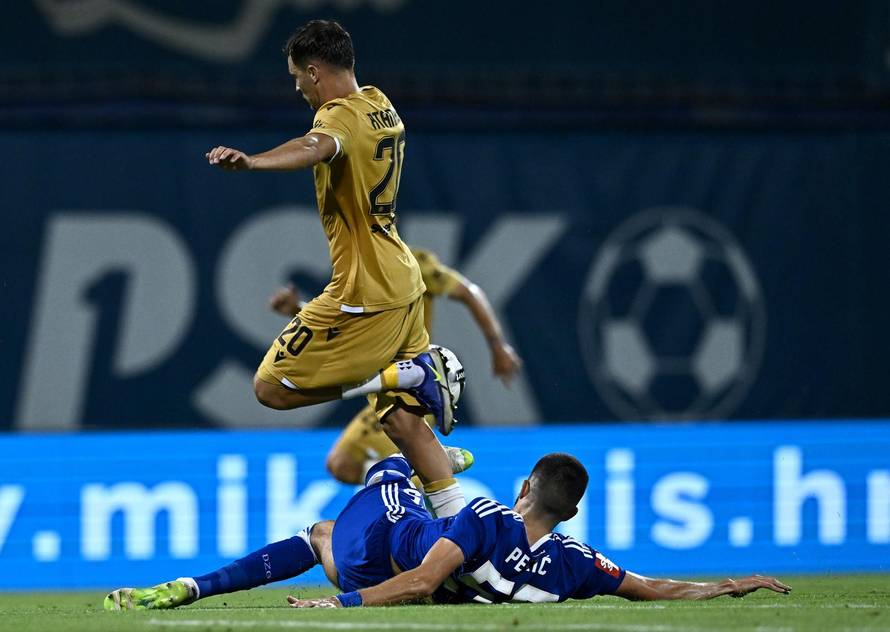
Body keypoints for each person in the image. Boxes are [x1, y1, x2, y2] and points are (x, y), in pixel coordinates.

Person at [205, 19, 465, 517]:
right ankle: (461, 537)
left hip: (365, 286)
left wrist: (252, 163)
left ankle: (409, 376)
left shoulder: (338, 117)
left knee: (271, 388)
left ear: (315, 71)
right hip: (402, 278)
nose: (297, 87)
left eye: (296, 77)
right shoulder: (379, 103)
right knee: (403, 427)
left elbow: (315, 147)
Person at [104, 453, 790, 611]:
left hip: (397, 558)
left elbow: (426, 576)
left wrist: (335, 604)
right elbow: (650, 586)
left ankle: (195, 586)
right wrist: (729, 585)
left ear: (525, 489)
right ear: (573, 513)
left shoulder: (487, 517)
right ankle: (429, 445)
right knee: (318, 534)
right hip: (429, 583)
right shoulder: (578, 563)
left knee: (386, 472)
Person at [268, 246, 523, 484]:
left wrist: (497, 344)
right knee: (341, 465)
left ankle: (424, 478)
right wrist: (298, 309)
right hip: (380, 386)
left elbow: (469, 292)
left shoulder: (413, 264)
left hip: (415, 386)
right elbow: (344, 329)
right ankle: (418, 472)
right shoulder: (355, 276)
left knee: (358, 462)